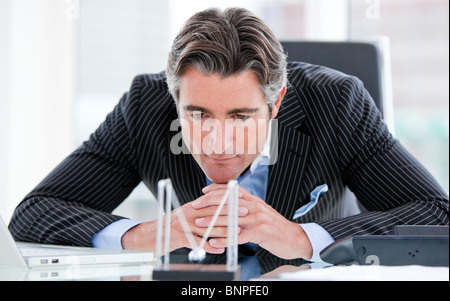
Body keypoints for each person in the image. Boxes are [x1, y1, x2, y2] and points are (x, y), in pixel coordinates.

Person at [9, 7, 449, 261]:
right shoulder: (145, 104)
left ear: (275, 105)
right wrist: (143, 235)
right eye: (197, 114)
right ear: (174, 98)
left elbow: (436, 213)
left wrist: (301, 239)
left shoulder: (337, 103)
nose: (218, 142)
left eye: (240, 117)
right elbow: (34, 212)